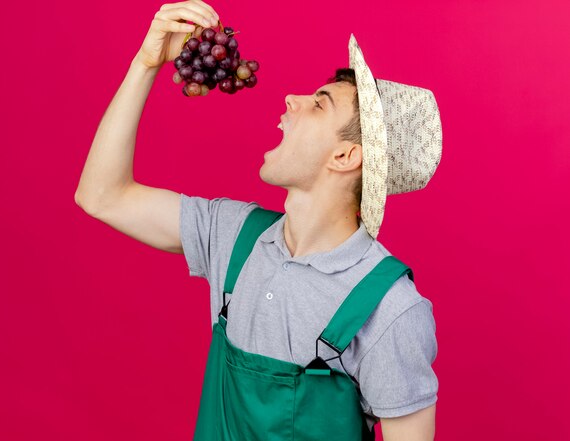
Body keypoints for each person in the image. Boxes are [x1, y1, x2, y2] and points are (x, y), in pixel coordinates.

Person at [75, 1, 443, 439]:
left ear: (345, 156)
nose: (292, 99)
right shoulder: (233, 235)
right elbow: (101, 195)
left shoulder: (390, 309)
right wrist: (145, 64)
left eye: (320, 104)